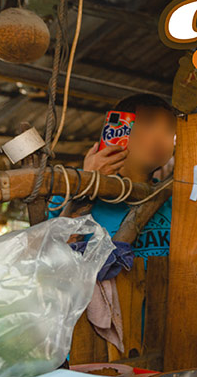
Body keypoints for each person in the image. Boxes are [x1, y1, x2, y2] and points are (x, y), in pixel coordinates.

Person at [50, 93, 177, 260]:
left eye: (170, 130)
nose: (161, 138)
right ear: (118, 130)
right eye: (148, 124)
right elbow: (53, 257)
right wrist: (89, 185)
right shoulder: (71, 187)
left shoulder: (173, 200)